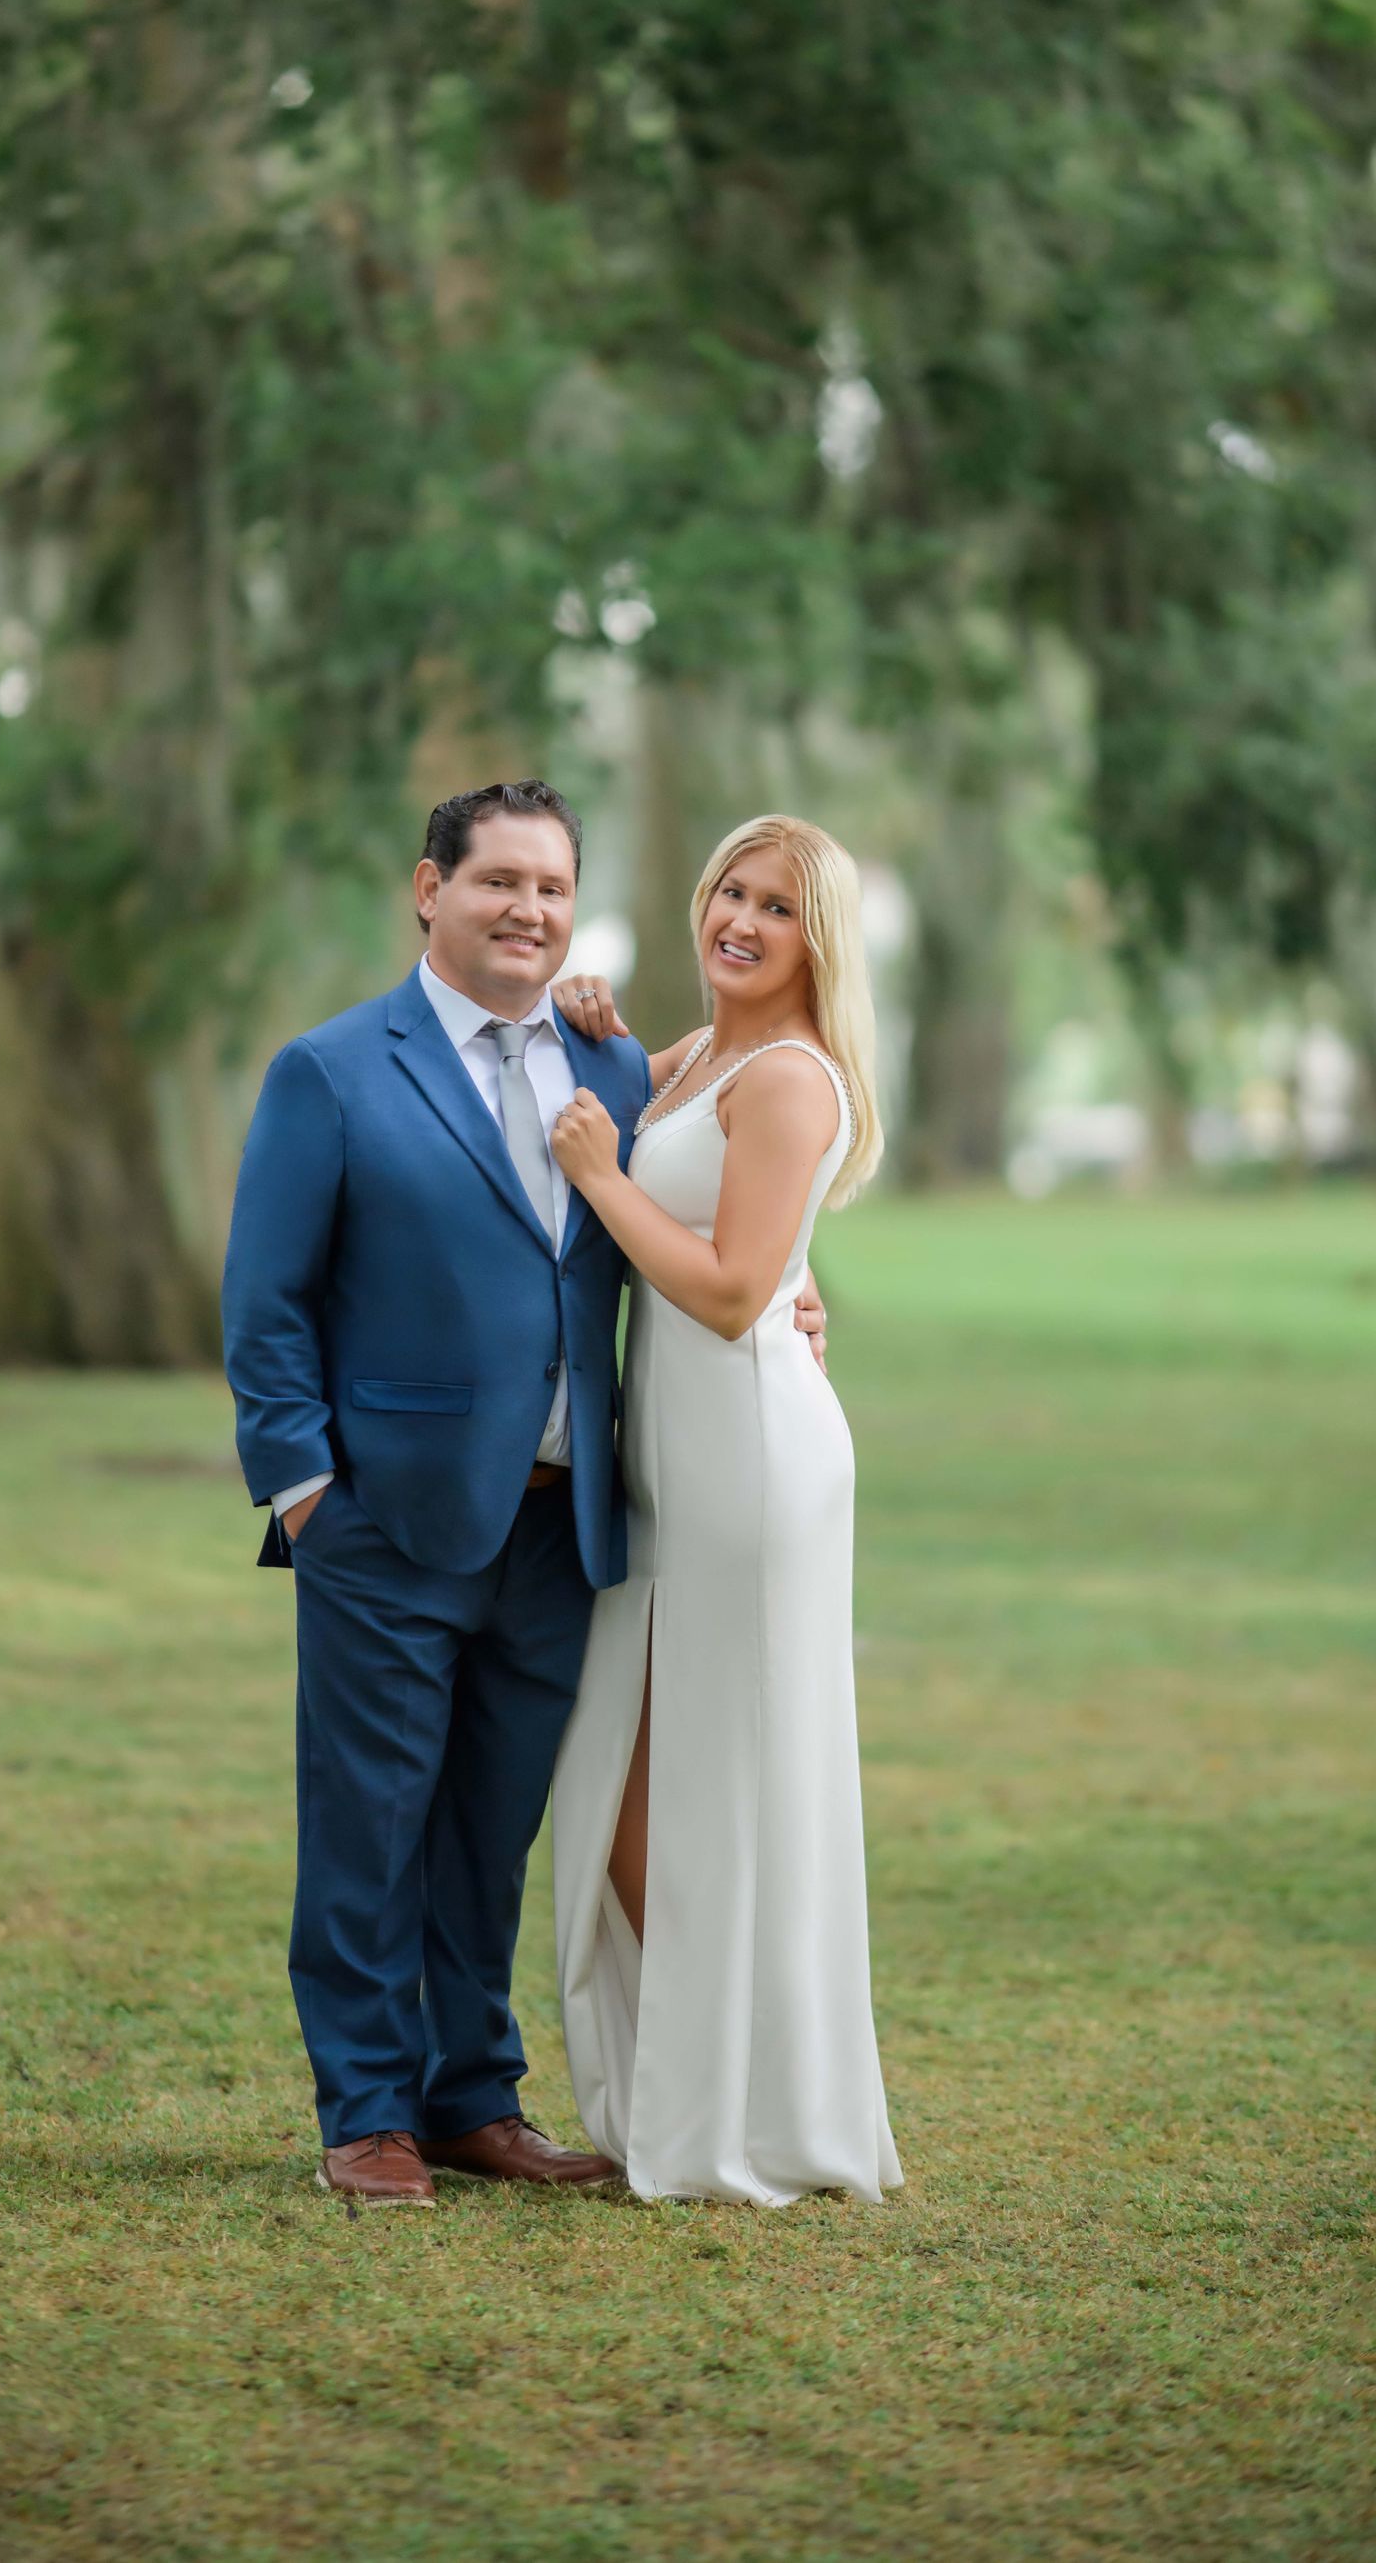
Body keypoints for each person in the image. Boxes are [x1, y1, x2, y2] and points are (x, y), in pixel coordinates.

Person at [220, 781, 828, 2205]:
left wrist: (803, 1307)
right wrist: (307, 1492)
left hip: (566, 1523)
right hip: (385, 1516)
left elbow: (719, 1211)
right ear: (429, 890)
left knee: (493, 1829)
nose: (528, 910)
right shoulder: (333, 1072)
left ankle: (470, 2098)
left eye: (552, 887)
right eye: (498, 882)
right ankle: (365, 2113)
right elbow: (265, 1304)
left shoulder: (618, 1071)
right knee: (371, 1822)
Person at [546, 814, 904, 2206]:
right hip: (673, 1461)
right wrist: (596, 1023)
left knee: (725, 1782)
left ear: (822, 940)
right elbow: (649, 1115)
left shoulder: (798, 1079)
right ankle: (713, 2089)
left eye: (778, 906)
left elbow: (734, 1290)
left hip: (752, 1464)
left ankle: (757, 2111)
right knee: (635, 1788)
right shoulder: (699, 1058)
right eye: (730, 892)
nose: (742, 921)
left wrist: (597, 1174)